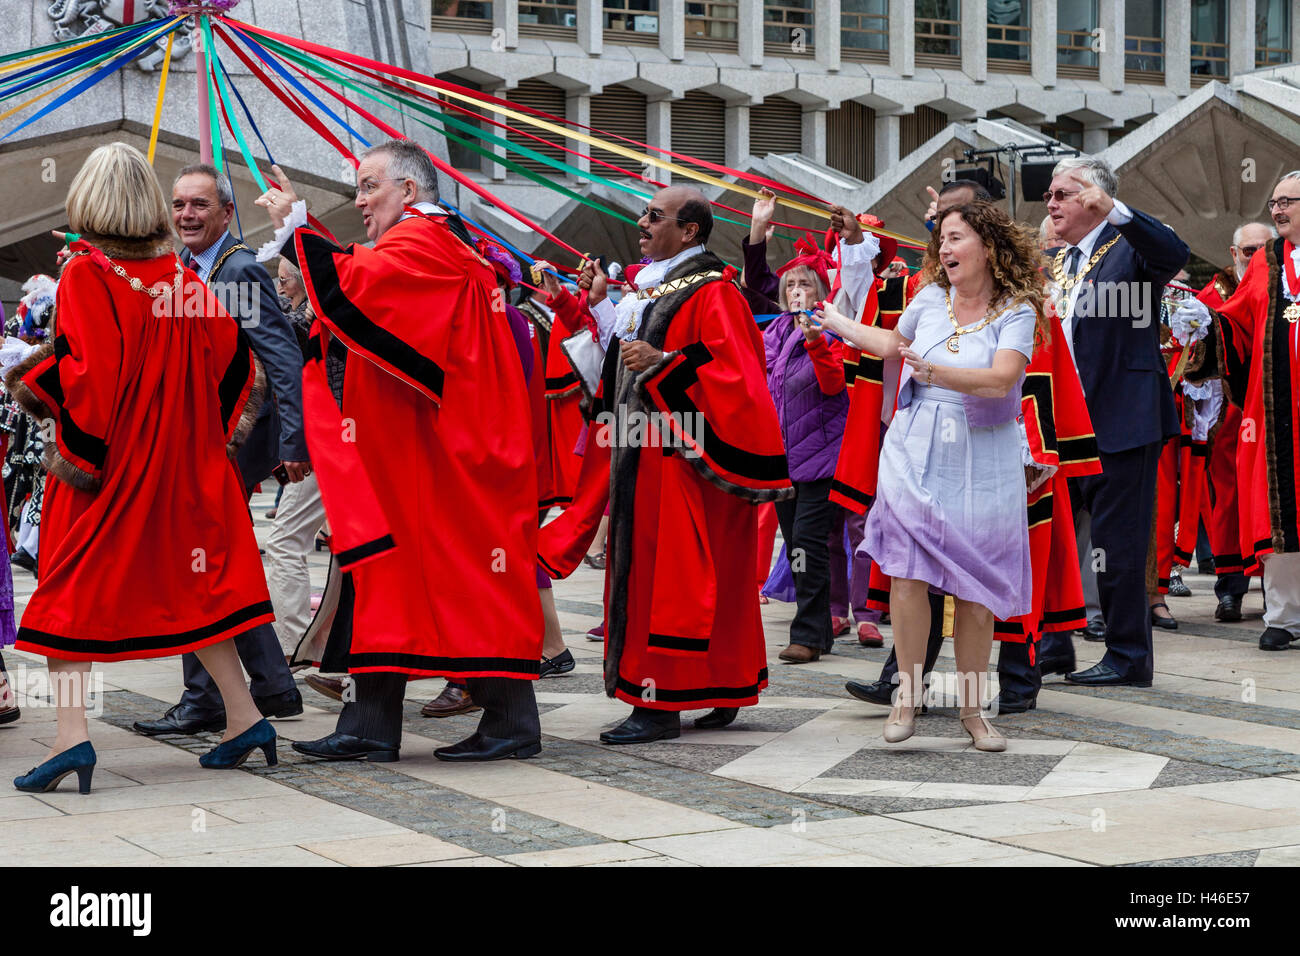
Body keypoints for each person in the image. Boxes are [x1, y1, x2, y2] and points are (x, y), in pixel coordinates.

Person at [255, 140, 544, 761]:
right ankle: (372, 723)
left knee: (468, 583)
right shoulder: (434, 244)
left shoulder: (425, 242)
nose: (359, 201)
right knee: (384, 584)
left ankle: (513, 721)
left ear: (408, 192)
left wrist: (298, 225)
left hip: (447, 459)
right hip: (416, 455)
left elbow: (356, 287)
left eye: (368, 187)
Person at [8, 143, 279, 793]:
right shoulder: (180, 276)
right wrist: (199, 440)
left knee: (64, 599)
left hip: (111, 472)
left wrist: (30, 378)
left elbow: (90, 382)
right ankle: (246, 719)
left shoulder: (88, 273)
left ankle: (72, 741)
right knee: (199, 593)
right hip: (182, 470)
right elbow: (237, 365)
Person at [537, 185, 793, 743]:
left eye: (655, 216)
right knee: (684, 577)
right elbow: (622, 363)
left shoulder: (713, 289)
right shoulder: (655, 287)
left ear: (690, 230)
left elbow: (737, 372)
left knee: (670, 580)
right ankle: (722, 686)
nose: (642, 223)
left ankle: (658, 702)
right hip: (641, 448)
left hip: (682, 458)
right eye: (644, 214)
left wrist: (666, 363)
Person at [815, 200, 1046, 751]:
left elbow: (1001, 379)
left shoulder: (1017, 309)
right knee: (906, 574)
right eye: (942, 239)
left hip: (983, 451)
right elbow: (895, 346)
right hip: (916, 444)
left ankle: (973, 710)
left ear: (988, 247)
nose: (945, 249)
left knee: (976, 589)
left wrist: (936, 369)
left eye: (957, 238)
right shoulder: (928, 299)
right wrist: (838, 321)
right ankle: (906, 698)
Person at [132, 164, 307, 737]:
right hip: (198, 443)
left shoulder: (238, 270)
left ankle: (207, 699)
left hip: (232, 443)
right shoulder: (183, 267)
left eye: (200, 205)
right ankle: (270, 687)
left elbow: (281, 355)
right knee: (217, 563)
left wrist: (291, 441)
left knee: (199, 563)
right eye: (179, 204)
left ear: (227, 214)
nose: (186, 214)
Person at [1045, 155, 1188, 687]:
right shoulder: (1062, 261)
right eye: (1051, 196)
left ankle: (1127, 656)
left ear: (1092, 197)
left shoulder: (1129, 244)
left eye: (1062, 193)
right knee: (1059, 539)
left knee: (1118, 545)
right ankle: (1054, 644)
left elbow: (1174, 254)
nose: (1051, 202)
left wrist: (1118, 211)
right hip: (1065, 423)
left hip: (1122, 419)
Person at [744, 193, 879, 662]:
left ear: (820, 290)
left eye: (805, 283)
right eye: (790, 284)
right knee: (804, 546)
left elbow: (833, 381)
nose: (796, 289)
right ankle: (818, 627)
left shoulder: (834, 327)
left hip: (823, 456)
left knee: (807, 541)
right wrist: (759, 231)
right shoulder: (775, 330)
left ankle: (807, 633)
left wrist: (817, 339)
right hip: (785, 459)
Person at [1183, 172, 1300, 651]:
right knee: (1281, 511)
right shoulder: (1267, 262)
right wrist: (1207, 325)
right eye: (1273, 202)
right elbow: (1238, 324)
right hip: (1275, 413)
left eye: (1287, 202)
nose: (1277, 210)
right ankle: (1284, 616)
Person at [1195, 221, 1276, 623]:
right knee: (1227, 500)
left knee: (1271, 499)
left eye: (1264, 249)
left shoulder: (1278, 283)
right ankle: (1230, 589)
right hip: (1227, 413)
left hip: (1273, 410)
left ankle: (1276, 592)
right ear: (1233, 254)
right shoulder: (1212, 295)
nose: (1256, 256)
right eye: (1249, 251)